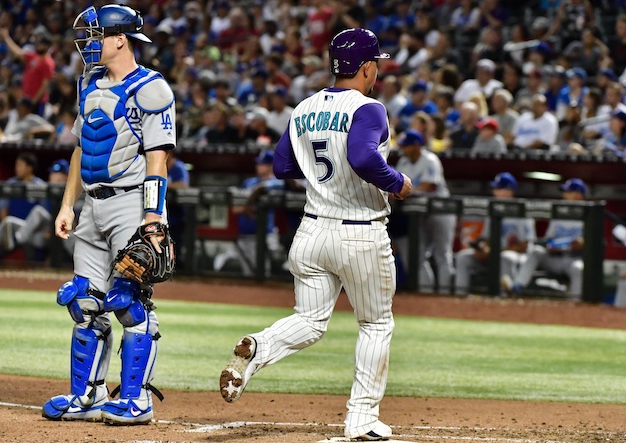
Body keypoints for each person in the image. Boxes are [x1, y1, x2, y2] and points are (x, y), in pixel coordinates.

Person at [219, 28, 413, 441]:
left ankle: (258, 346)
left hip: (311, 231)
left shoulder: (304, 107)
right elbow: (362, 156)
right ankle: (361, 419)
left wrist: (321, 180)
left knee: (309, 320)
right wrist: (397, 181)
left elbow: (282, 167)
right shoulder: (369, 108)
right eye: (376, 62)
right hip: (360, 231)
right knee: (376, 324)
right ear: (366, 67)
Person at [41, 5, 175, 425]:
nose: (91, 42)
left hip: (132, 203)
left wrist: (153, 217)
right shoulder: (90, 83)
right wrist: (68, 204)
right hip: (93, 205)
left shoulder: (152, 88)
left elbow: (158, 159)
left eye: (98, 35)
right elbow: (82, 148)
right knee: (84, 302)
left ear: (121, 39)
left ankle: (136, 401)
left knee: (129, 303)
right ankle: (88, 396)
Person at [392, 129, 456, 293]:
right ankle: (425, 294)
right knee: (419, 255)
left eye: (406, 146)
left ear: (416, 146)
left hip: (440, 210)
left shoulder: (430, 159)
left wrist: (405, 192)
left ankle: (445, 294)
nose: (403, 149)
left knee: (442, 254)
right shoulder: (403, 162)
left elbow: (429, 186)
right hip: (418, 214)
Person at [504, 179, 587, 301]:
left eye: (569, 192)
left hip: (574, 259)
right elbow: (549, 238)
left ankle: (576, 302)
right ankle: (516, 287)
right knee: (536, 251)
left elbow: (595, 243)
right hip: (555, 257)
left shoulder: (589, 213)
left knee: (579, 268)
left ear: (579, 194)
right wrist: (550, 245)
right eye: (565, 192)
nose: (565, 195)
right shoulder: (559, 213)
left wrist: (582, 244)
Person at [454, 173, 536, 296]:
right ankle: (459, 296)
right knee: (463, 257)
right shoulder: (492, 210)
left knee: (506, 257)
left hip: (519, 257)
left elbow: (523, 246)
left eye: (499, 189)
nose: (495, 192)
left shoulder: (522, 212)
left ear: (509, 191)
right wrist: (482, 249)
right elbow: (486, 238)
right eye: (495, 189)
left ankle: (506, 296)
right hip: (494, 254)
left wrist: (495, 251)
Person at [213, 149, 285, 276]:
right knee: (247, 274)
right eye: (258, 163)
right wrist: (249, 207)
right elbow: (235, 208)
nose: (258, 166)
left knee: (263, 273)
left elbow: (258, 200)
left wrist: (248, 206)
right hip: (245, 234)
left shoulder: (277, 182)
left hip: (264, 235)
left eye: (262, 164)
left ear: (271, 166)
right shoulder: (249, 182)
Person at [0, 159, 75, 258]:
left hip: (63, 231)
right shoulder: (47, 190)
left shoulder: (73, 192)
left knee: (38, 212)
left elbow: (78, 222)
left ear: (66, 176)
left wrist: (57, 229)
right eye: (53, 173)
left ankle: (17, 240)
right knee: (9, 222)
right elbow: (43, 217)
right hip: (44, 232)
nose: (53, 176)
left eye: (58, 174)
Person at [0, 152, 48, 257]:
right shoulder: (10, 184)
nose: (17, 168)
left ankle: (17, 240)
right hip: (19, 226)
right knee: (6, 222)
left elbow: (45, 212)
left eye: (20, 165)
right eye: (16, 165)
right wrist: (8, 233)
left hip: (35, 229)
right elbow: (3, 210)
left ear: (29, 168)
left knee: (38, 212)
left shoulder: (41, 185)